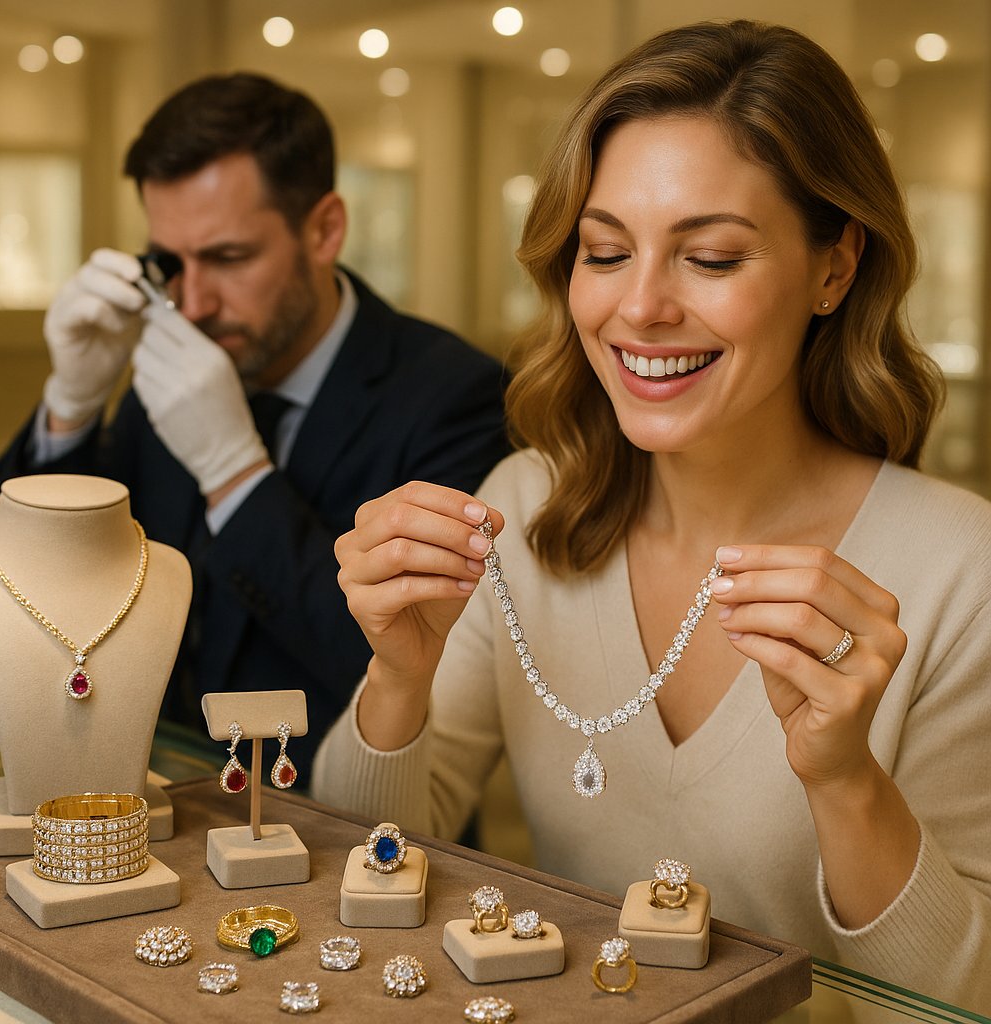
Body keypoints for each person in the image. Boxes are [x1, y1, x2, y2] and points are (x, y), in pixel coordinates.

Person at [311, 20, 991, 1012]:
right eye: (604, 251)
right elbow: (351, 881)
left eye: (709, 258)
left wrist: (846, 783)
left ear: (834, 268)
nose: (638, 308)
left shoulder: (959, 567)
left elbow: (959, 996)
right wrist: (396, 680)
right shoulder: (519, 511)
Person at [0, 72, 509, 778]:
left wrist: (236, 474)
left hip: (349, 826)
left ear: (324, 230)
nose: (191, 303)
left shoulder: (456, 395)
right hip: (160, 806)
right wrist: (71, 404)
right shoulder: (168, 377)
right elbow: (2, 591)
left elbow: (417, 661)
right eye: (170, 263)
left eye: (228, 258)